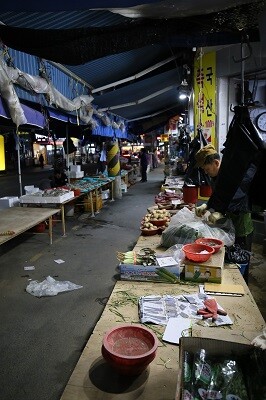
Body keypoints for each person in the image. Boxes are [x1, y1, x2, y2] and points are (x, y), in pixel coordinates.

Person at [194, 143, 257, 284]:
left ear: (216, 162)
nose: (206, 172)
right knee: (229, 260)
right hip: (229, 227)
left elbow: (239, 198)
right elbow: (218, 196)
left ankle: (243, 289)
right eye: (204, 170)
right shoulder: (216, 177)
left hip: (241, 227)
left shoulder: (234, 175)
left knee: (240, 261)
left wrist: (221, 212)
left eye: (208, 168)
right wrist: (207, 205)